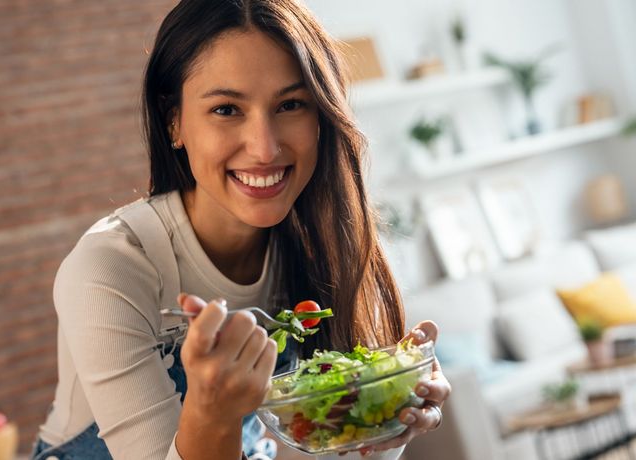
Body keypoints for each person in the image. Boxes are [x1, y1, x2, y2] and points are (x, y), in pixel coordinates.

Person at [31, 0, 451, 459]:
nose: (265, 148)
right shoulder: (109, 267)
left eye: (290, 104)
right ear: (175, 121)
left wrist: (388, 410)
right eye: (227, 109)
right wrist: (211, 413)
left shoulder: (322, 248)